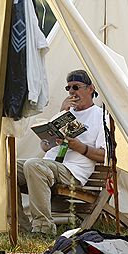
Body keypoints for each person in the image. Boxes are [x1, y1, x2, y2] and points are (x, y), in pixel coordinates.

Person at [17, 69, 106, 235]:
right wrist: (59, 116)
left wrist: (80, 147)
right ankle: (20, 225)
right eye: (69, 88)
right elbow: (45, 147)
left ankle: (43, 227)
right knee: (8, 166)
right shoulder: (65, 114)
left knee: (33, 165)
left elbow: (104, 155)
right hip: (51, 165)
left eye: (76, 87)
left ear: (91, 89)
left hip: (73, 171)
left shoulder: (100, 116)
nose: (72, 91)